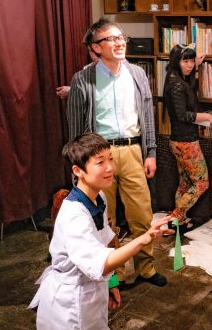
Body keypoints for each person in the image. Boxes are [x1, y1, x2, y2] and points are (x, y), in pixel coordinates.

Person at [25, 133, 172, 330]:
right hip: (71, 303)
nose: (110, 167)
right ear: (78, 171)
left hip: (91, 295)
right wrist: (143, 239)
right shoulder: (74, 215)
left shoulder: (99, 197)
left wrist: (111, 282)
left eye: (110, 159)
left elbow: (104, 244)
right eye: (100, 162)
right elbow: (100, 263)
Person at [67, 18, 166, 287]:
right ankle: (113, 275)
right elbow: (75, 129)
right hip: (99, 154)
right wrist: (81, 166)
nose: (120, 42)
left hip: (133, 150)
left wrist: (151, 152)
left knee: (142, 214)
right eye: (112, 39)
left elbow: (147, 116)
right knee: (105, 218)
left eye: (121, 37)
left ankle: (146, 267)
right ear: (96, 47)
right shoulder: (82, 79)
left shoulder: (137, 74)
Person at [163, 44, 212, 230]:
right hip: (186, 142)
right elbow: (182, 115)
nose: (190, 65)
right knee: (201, 183)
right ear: (176, 62)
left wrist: (196, 64)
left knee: (185, 183)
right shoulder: (176, 84)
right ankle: (175, 217)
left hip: (178, 140)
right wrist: (206, 117)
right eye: (185, 61)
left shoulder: (174, 77)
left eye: (192, 61)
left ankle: (179, 220)